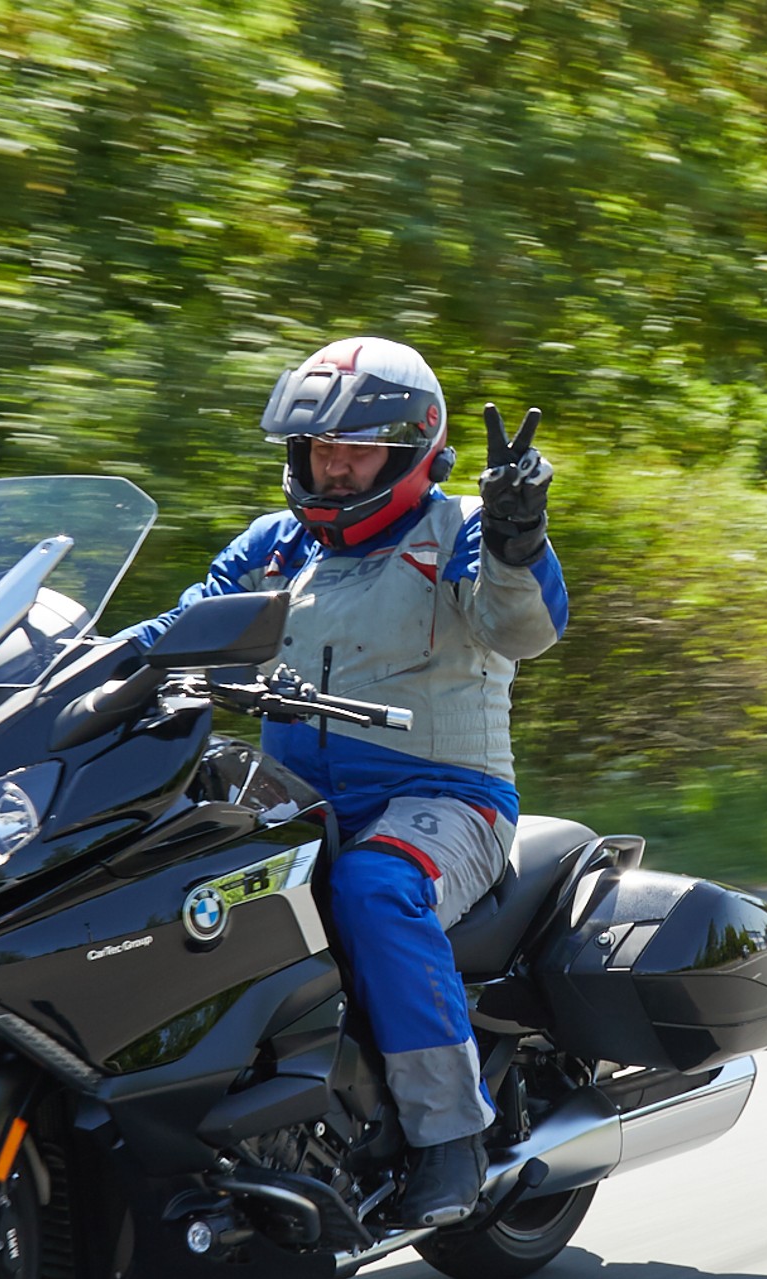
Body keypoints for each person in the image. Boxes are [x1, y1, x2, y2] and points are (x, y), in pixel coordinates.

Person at [130, 336, 566, 1226]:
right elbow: (174, 632)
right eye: (320, 448)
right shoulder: (273, 546)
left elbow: (521, 630)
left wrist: (519, 541)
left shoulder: (462, 533)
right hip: (296, 797)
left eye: (356, 449)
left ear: (409, 452)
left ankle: (449, 1134)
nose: (333, 466)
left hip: (445, 795)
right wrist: (47, 676)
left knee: (373, 889)